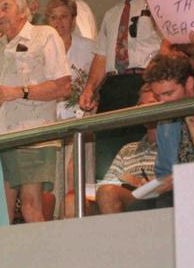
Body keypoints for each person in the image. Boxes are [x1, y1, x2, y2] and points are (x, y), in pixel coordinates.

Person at [0, 0, 71, 223]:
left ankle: (44, 259)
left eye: (5, 7)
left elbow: (63, 86)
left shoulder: (45, 35)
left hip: (31, 136)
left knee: (31, 207)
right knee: (0, 212)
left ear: (22, 11)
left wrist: (20, 92)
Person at [78, 0, 163, 187]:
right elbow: (101, 57)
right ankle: (110, 201)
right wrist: (89, 90)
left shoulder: (159, 5)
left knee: (145, 159)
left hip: (146, 86)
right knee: (108, 164)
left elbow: (169, 46)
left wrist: (154, 84)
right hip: (113, 90)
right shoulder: (111, 14)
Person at [62, 85, 158, 218]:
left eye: (152, 104)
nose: (146, 110)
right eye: (141, 106)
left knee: (108, 193)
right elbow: (107, 184)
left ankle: (116, 238)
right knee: (72, 200)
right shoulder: (128, 150)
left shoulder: (175, 144)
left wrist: (138, 181)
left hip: (156, 200)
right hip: (124, 200)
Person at [127, 54, 194, 211]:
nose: (163, 102)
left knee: (167, 202)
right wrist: (158, 183)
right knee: (135, 208)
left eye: (169, 93)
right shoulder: (165, 121)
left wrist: (182, 177)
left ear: (189, 83)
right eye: (158, 96)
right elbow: (163, 170)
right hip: (175, 190)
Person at [44, 0, 96, 218]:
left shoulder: (89, 48)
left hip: (80, 121)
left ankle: (79, 223)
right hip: (50, 124)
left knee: (74, 174)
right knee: (54, 183)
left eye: (64, 16)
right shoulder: (41, 51)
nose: (59, 22)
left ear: (73, 19)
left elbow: (96, 84)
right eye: (54, 17)